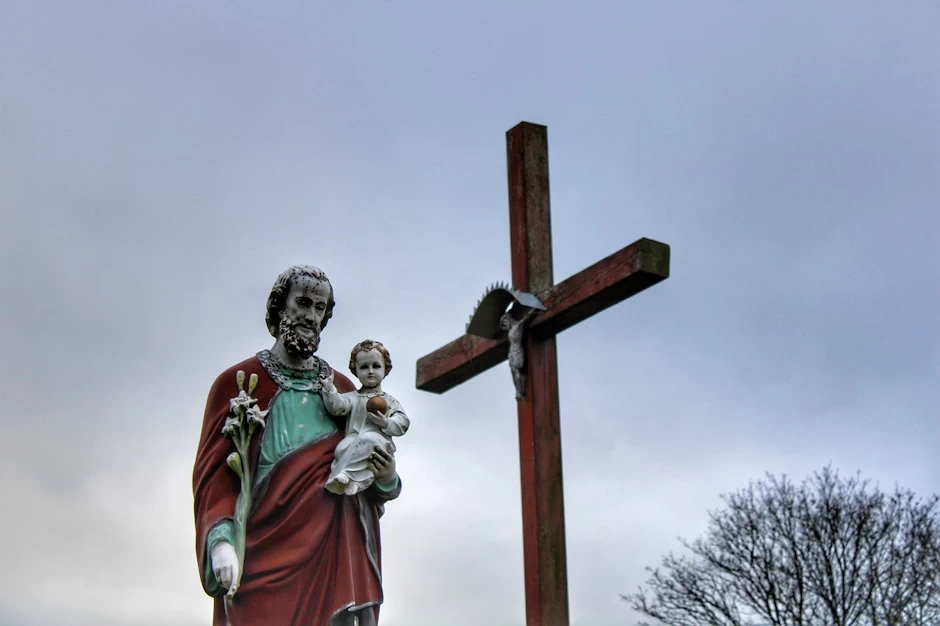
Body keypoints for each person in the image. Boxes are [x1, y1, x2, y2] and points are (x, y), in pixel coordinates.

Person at [192, 265, 402, 626]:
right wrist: (221, 542)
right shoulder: (239, 384)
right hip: (260, 555)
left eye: (320, 308)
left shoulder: (343, 390)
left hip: (330, 556)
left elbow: (368, 475)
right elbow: (214, 481)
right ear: (280, 307)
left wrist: (386, 476)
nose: (310, 316)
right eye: (303, 303)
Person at [321, 340, 410, 495]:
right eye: (364, 367)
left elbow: (402, 422)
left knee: (370, 440)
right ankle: (354, 481)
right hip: (354, 440)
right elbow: (338, 407)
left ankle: (348, 476)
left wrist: (386, 422)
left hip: (378, 444)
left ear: (385, 368)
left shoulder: (389, 401)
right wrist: (329, 389)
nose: (370, 371)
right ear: (355, 370)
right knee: (342, 448)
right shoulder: (353, 397)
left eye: (375, 366)